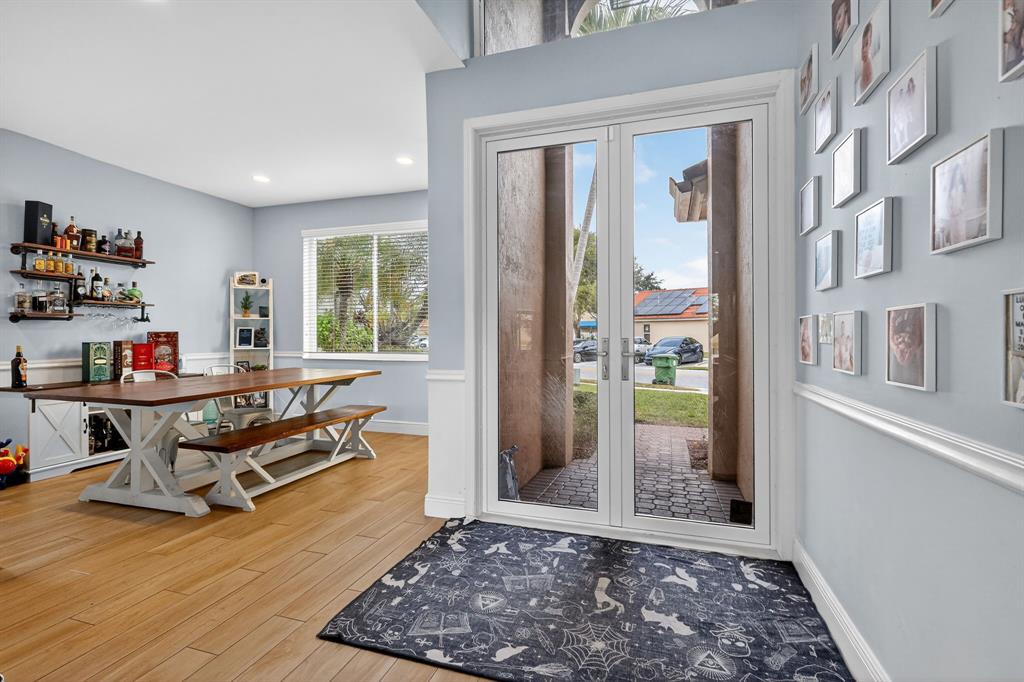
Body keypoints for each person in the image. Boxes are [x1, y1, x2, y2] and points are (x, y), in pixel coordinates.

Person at [858, 20, 875, 95]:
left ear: (870, 42)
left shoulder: (869, 65)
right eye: (862, 46)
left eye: (866, 43)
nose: (864, 49)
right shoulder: (862, 66)